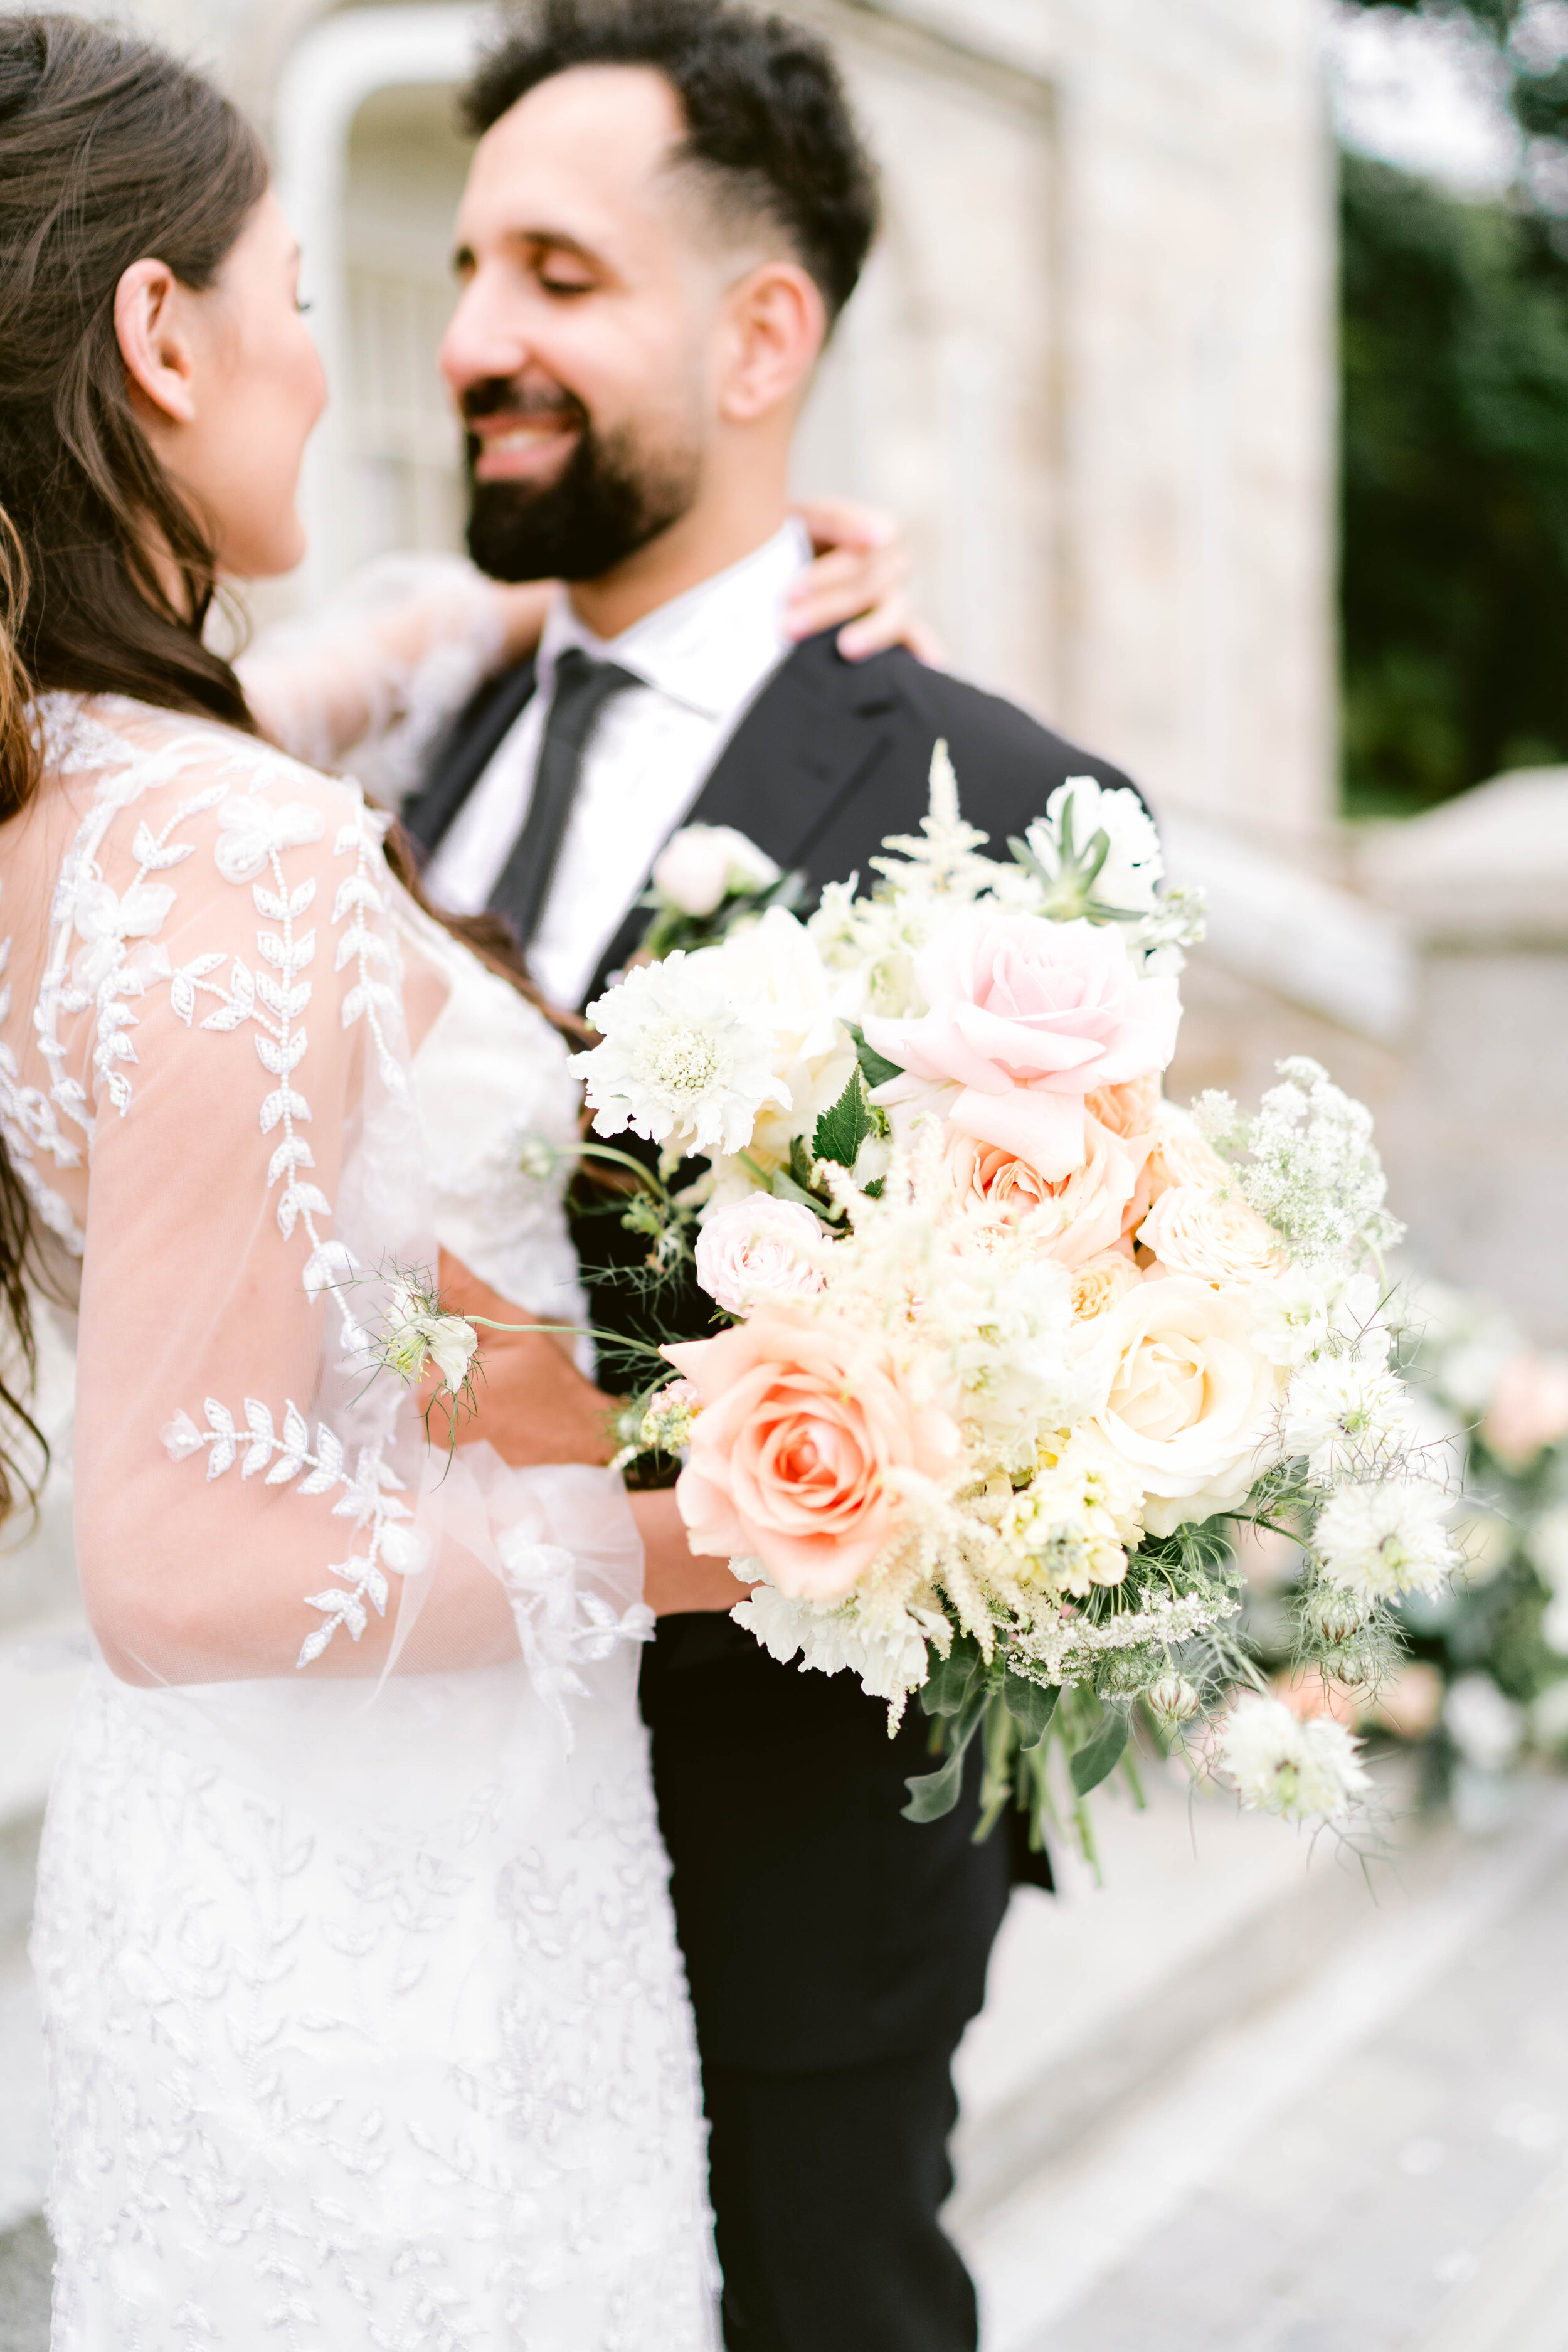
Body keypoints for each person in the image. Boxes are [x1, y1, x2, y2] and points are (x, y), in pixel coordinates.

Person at [0, 17, 909, 2345]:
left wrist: (687, 591)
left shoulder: (85, 783)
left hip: (252, 1869)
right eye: (306, 292)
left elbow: (363, 661)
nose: (337, 365)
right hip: (400, 1935)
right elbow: (180, 1561)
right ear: (158, 329)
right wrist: (748, 1532)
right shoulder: (228, 847)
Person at [400, 7, 1145, 2349]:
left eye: (553, 275)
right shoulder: (436, 729)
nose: (467, 343)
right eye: (458, 271)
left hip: (787, 1896)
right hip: (431, 1836)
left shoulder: (995, 801)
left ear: (760, 334)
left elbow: (1038, 1433)